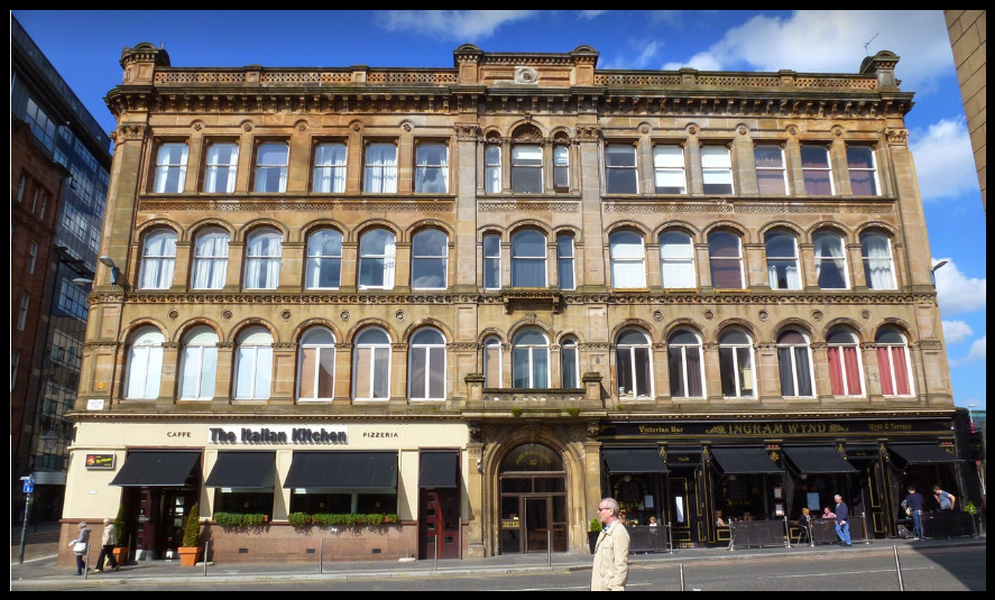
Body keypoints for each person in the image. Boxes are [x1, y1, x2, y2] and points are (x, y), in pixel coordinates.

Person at [591, 497, 630, 591]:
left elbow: (621, 565)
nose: (598, 513)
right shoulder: (605, 532)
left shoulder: (619, 532)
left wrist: (617, 588)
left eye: (600, 510)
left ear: (611, 511)